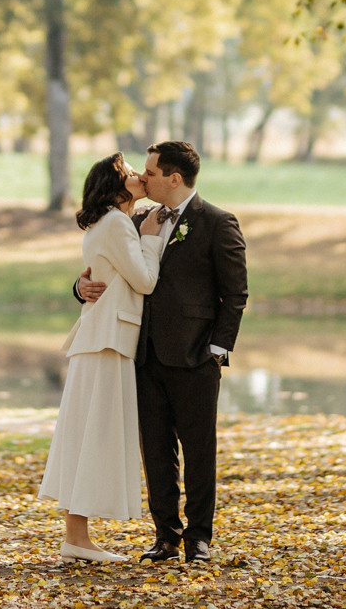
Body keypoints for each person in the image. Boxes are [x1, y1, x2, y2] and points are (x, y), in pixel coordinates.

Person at [76, 139, 246, 564]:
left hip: (195, 356)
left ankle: (199, 538)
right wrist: (79, 288)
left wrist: (217, 350)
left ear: (174, 178)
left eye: (150, 172)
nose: (143, 177)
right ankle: (166, 536)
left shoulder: (217, 222)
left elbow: (235, 294)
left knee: (199, 451)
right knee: (155, 451)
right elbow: (108, 265)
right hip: (142, 354)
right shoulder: (135, 220)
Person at [40, 154, 164, 562]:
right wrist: (148, 239)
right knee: (94, 433)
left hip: (99, 339)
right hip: (108, 340)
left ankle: (76, 537)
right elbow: (145, 281)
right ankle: (76, 539)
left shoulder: (106, 223)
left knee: (86, 432)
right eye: (130, 173)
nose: (139, 176)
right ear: (114, 186)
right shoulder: (117, 223)